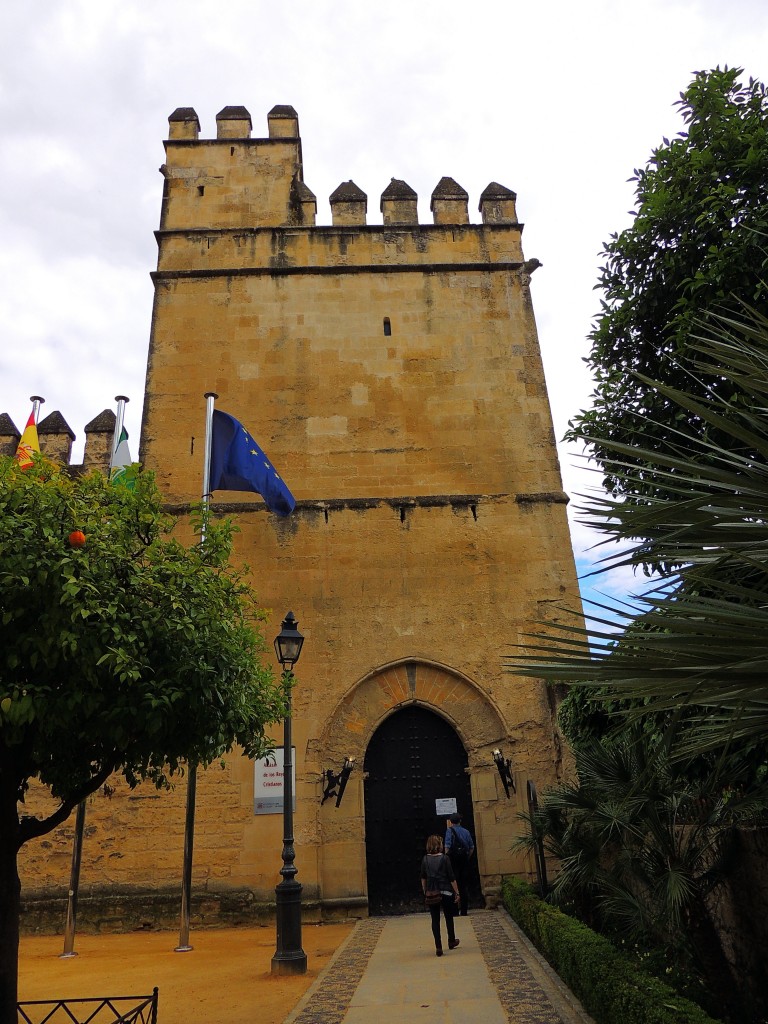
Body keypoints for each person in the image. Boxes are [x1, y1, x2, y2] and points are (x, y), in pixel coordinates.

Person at [420, 834, 460, 956]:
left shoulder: (425, 859)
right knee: (449, 917)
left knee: (435, 920)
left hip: (432, 892)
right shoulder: (445, 858)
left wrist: (425, 890)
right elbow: (451, 877)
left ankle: (438, 946)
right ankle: (451, 940)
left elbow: (423, 877)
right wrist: (457, 892)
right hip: (446, 891)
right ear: (439, 845)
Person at [444, 813, 475, 916]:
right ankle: (464, 911)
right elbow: (471, 847)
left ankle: (455, 911)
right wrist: (466, 858)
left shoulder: (449, 831)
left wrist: (447, 859)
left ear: (451, 822)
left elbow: (447, 847)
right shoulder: (466, 831)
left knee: (453, 885)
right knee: (463, 886)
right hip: (463, 861)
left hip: (453, 862)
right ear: (460, 821)